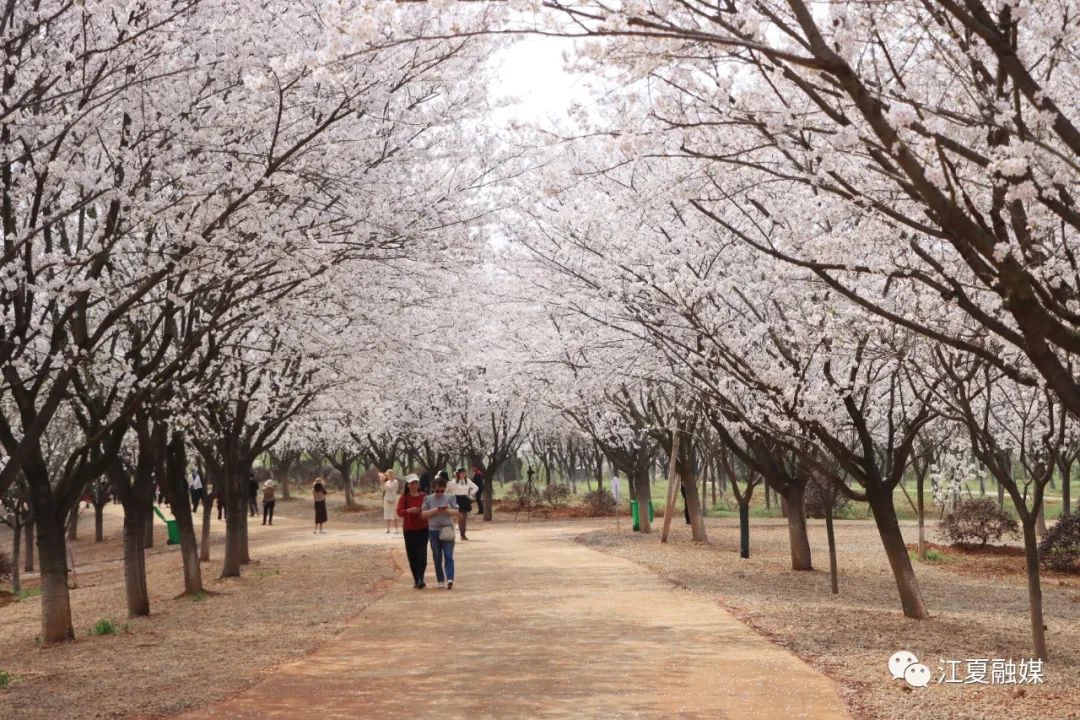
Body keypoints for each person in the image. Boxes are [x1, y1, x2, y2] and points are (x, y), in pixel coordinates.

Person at [421, 476, 459, 589]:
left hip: (447, 529)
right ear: (433, 489)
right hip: (433, 530)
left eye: (442, 490)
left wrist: (446, 510)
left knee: (448, 555)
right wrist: (435, 510)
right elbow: (423, 514)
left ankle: (450, 578)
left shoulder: (450, 497)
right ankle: (440, 579)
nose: (439, 493)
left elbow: (456, 511)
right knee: (437, 556)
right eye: (437, 490)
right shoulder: (428, 499)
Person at [397, 474, 428, 588]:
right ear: (408, 485)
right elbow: (399, 512)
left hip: (423, 528)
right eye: (412, 483)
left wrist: (420, 511)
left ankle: (421, 578)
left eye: (416, 483)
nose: (414, 485)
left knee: (422, 554)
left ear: (419, 484)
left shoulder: (425, 496)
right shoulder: (404, 497)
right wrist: (409, 511)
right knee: (412, 555)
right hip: (409, 530)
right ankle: (416, 578)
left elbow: (428, 508)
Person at [447, 468, 478, 540]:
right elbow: (448, 490)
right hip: (457, 500)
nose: (463, 474)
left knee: (464, 518)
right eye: (462, 473)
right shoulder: (453, 482)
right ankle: (461, 534)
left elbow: (476, 488)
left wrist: (470, 494)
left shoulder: (467, 481)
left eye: (464, 473)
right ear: (458, 473)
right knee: (461, 517)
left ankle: (463, 534)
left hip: (465, 499)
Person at [382, 469, 400, 534]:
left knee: (395, 514)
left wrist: (383, 481)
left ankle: (396, 529)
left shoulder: (395, 481)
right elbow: (384, 489)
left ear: (392, 474)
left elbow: (390, 488)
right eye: (387, 474)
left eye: (388, 474)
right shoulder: (387, 482)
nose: (387, 476)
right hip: (387, 499)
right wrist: (382, 482)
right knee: (387, 514)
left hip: (393, 499)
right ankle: (388, 529)